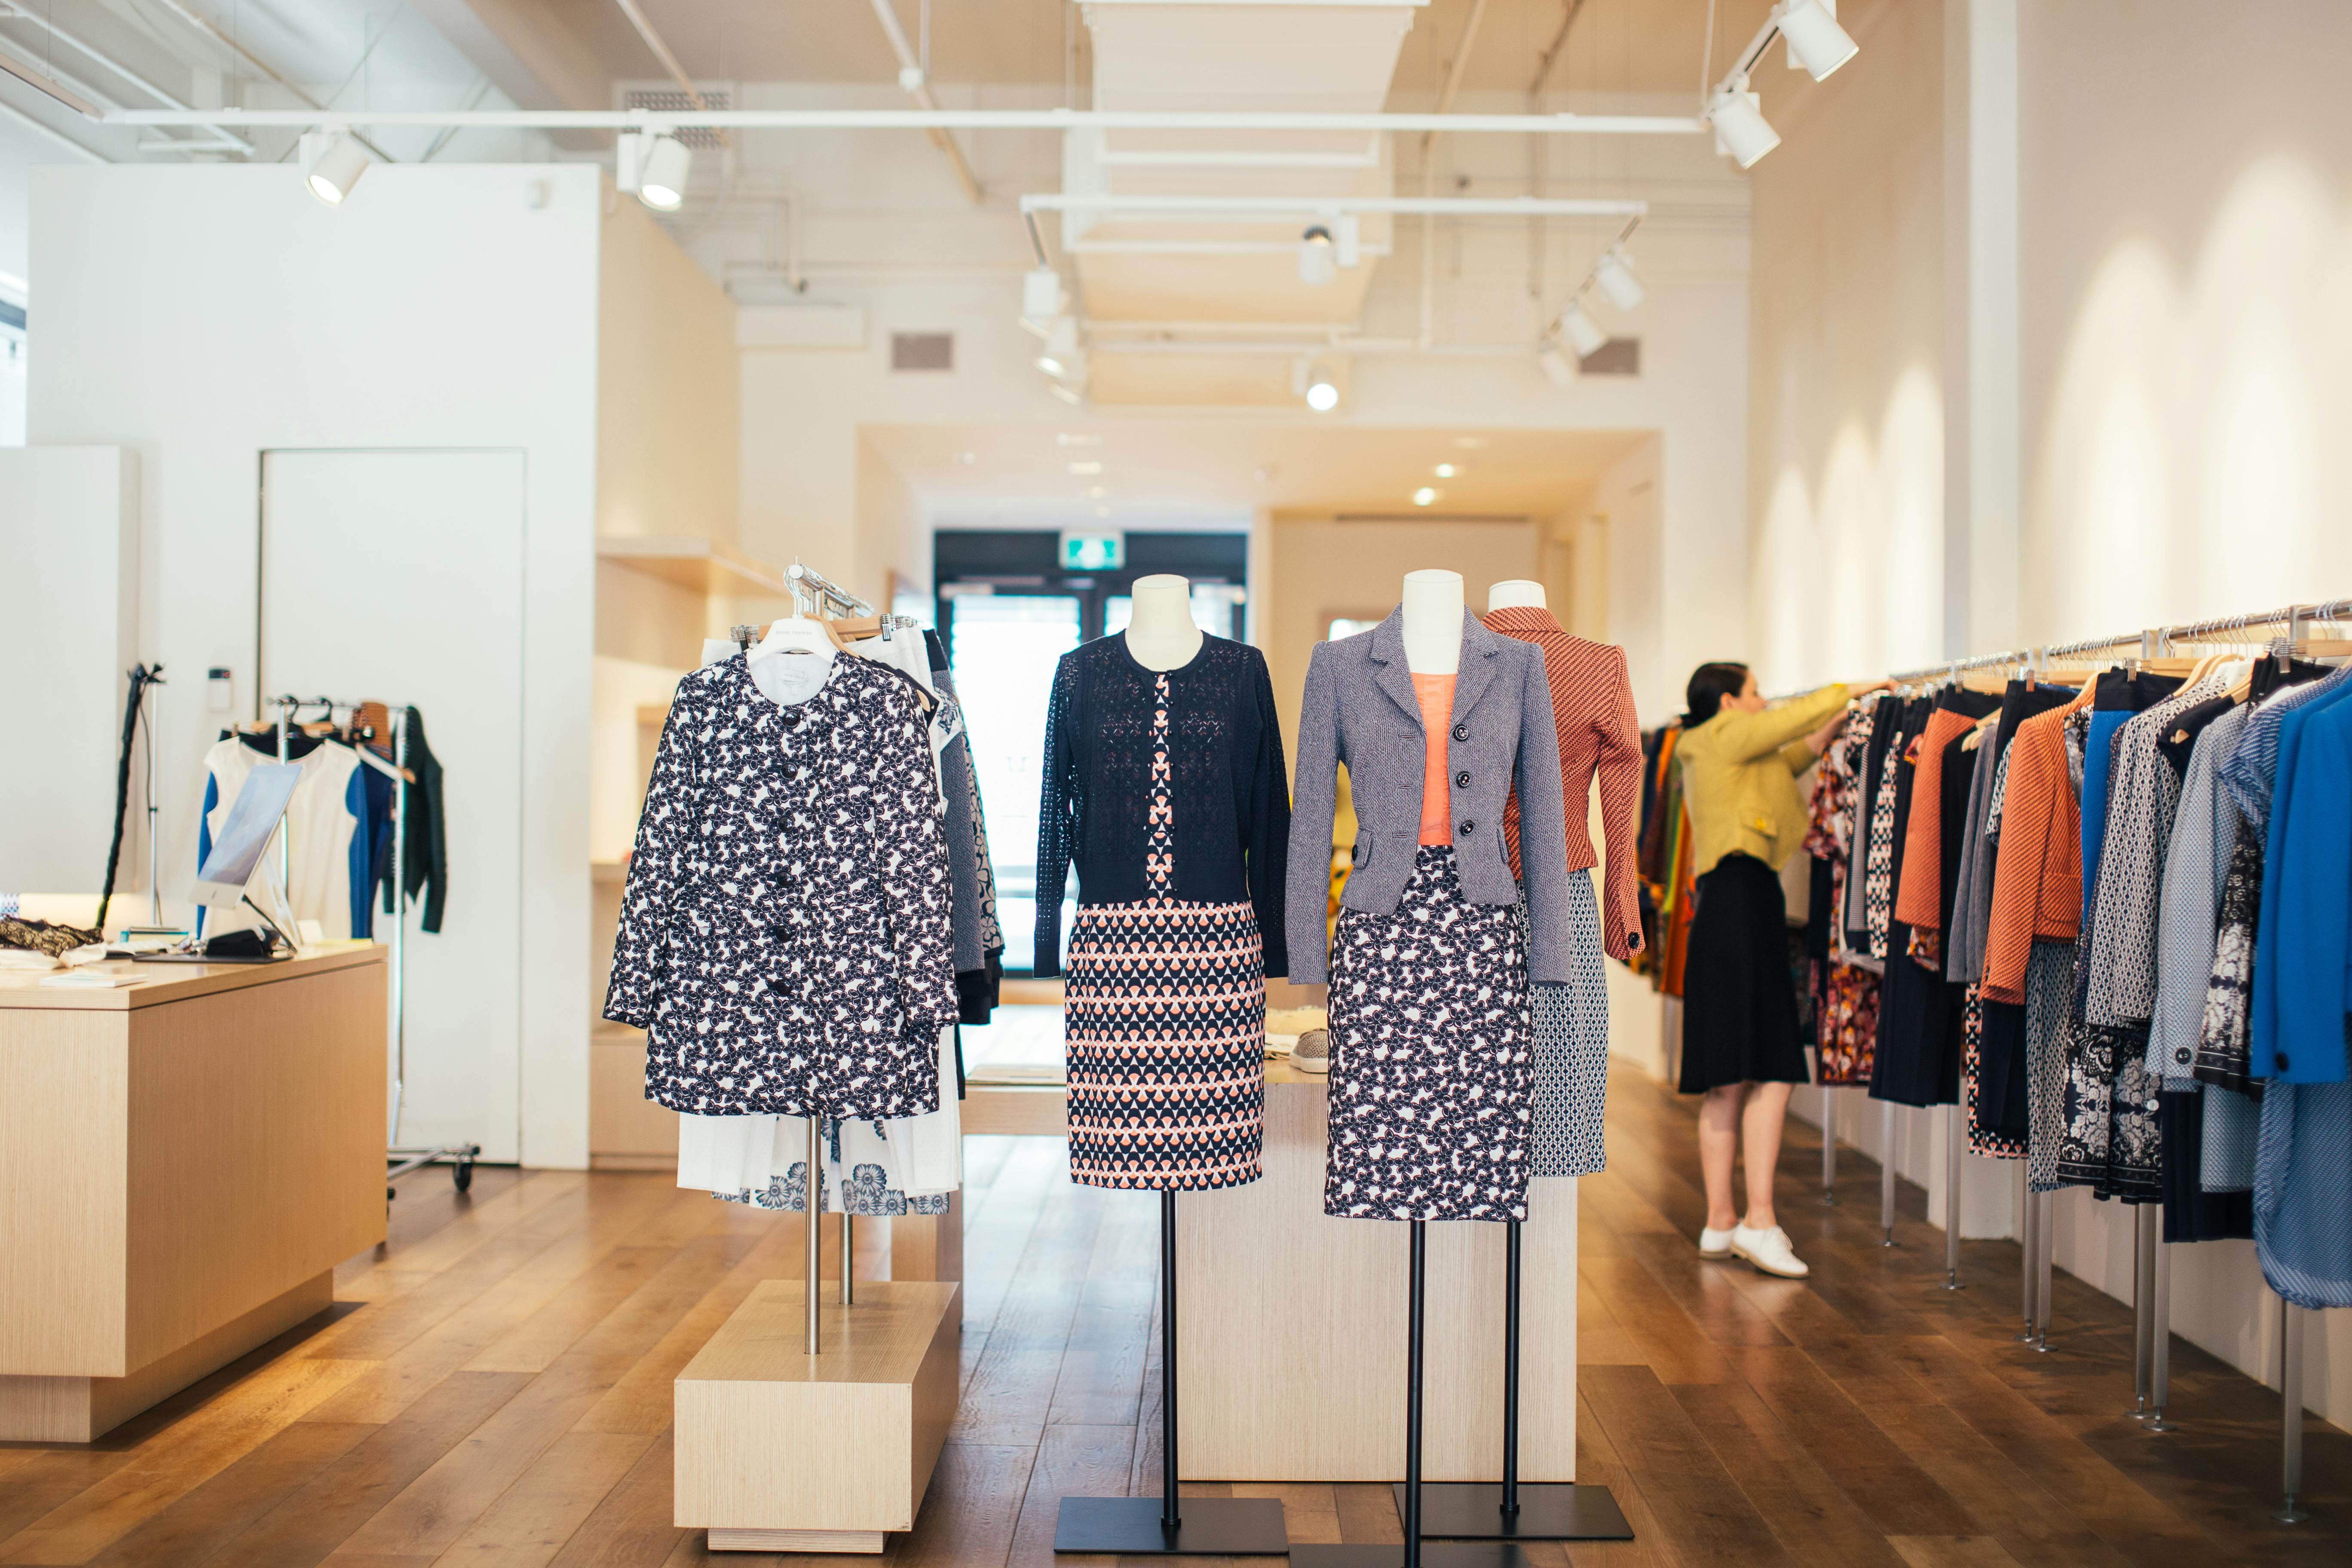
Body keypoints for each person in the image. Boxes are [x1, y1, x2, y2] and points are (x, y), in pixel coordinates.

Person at [1671, 662, 1890, 1278]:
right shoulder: (1719, 735)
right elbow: (1788, 723)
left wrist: (1833, 729)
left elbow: (1795, 752)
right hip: (1743, 902)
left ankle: (1721, 1223)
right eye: (1755, 692)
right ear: (1728, 702)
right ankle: (1760, 1221)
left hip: (1726, 905)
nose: (1764, 701)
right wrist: (1853, 684)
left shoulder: (1725, 752)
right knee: (1772, 1066)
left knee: (1728, 1076)